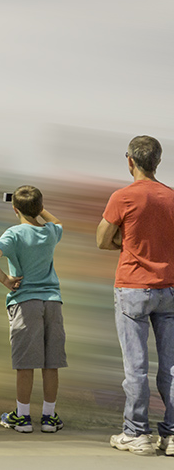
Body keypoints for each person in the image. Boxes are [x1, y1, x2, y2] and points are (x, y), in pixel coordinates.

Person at [97, 135, 174, 457]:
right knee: (171, 367)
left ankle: (136, 433)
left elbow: (102, 239)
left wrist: (126, 243)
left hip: (132, 289)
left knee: (136, 367)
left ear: (130, 161)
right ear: (158, 162)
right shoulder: (171, 197)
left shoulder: (123, 197)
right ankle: (172, 435)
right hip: (169, 289)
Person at [0, 185, 66, 434]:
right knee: (51, 363)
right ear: (40, 207)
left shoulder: (14, 233)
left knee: (26, 363)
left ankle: (22, 417)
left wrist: (6, 280)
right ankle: (49, 417)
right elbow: (57, 221)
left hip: (25, 303)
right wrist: (40, 209)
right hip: (52, 302)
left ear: (15, 209)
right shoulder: (50, 232)